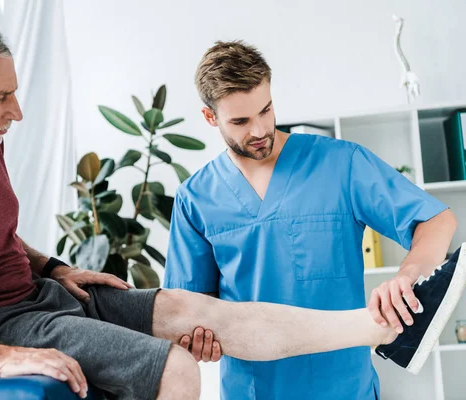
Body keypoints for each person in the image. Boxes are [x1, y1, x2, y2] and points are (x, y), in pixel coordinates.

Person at [0, 16, 462, 400]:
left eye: (268, 110)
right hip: (0, 326)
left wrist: (51, 266)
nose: (16, 111)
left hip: (38, 293)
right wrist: (6, 359)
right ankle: (386, 327)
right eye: (0, 97)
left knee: (187, 307)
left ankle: (383, 328)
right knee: (178, 368)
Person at [164, 40, 461, 400]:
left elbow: (436, 220)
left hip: (344, 387)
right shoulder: (195, 199)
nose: (259, 130)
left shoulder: (341, 164)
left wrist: (407, 276)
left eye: (266, 110)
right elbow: (187, 310)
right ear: (210, 117)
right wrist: (197, 340)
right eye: (240, 121)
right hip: (253, 390)